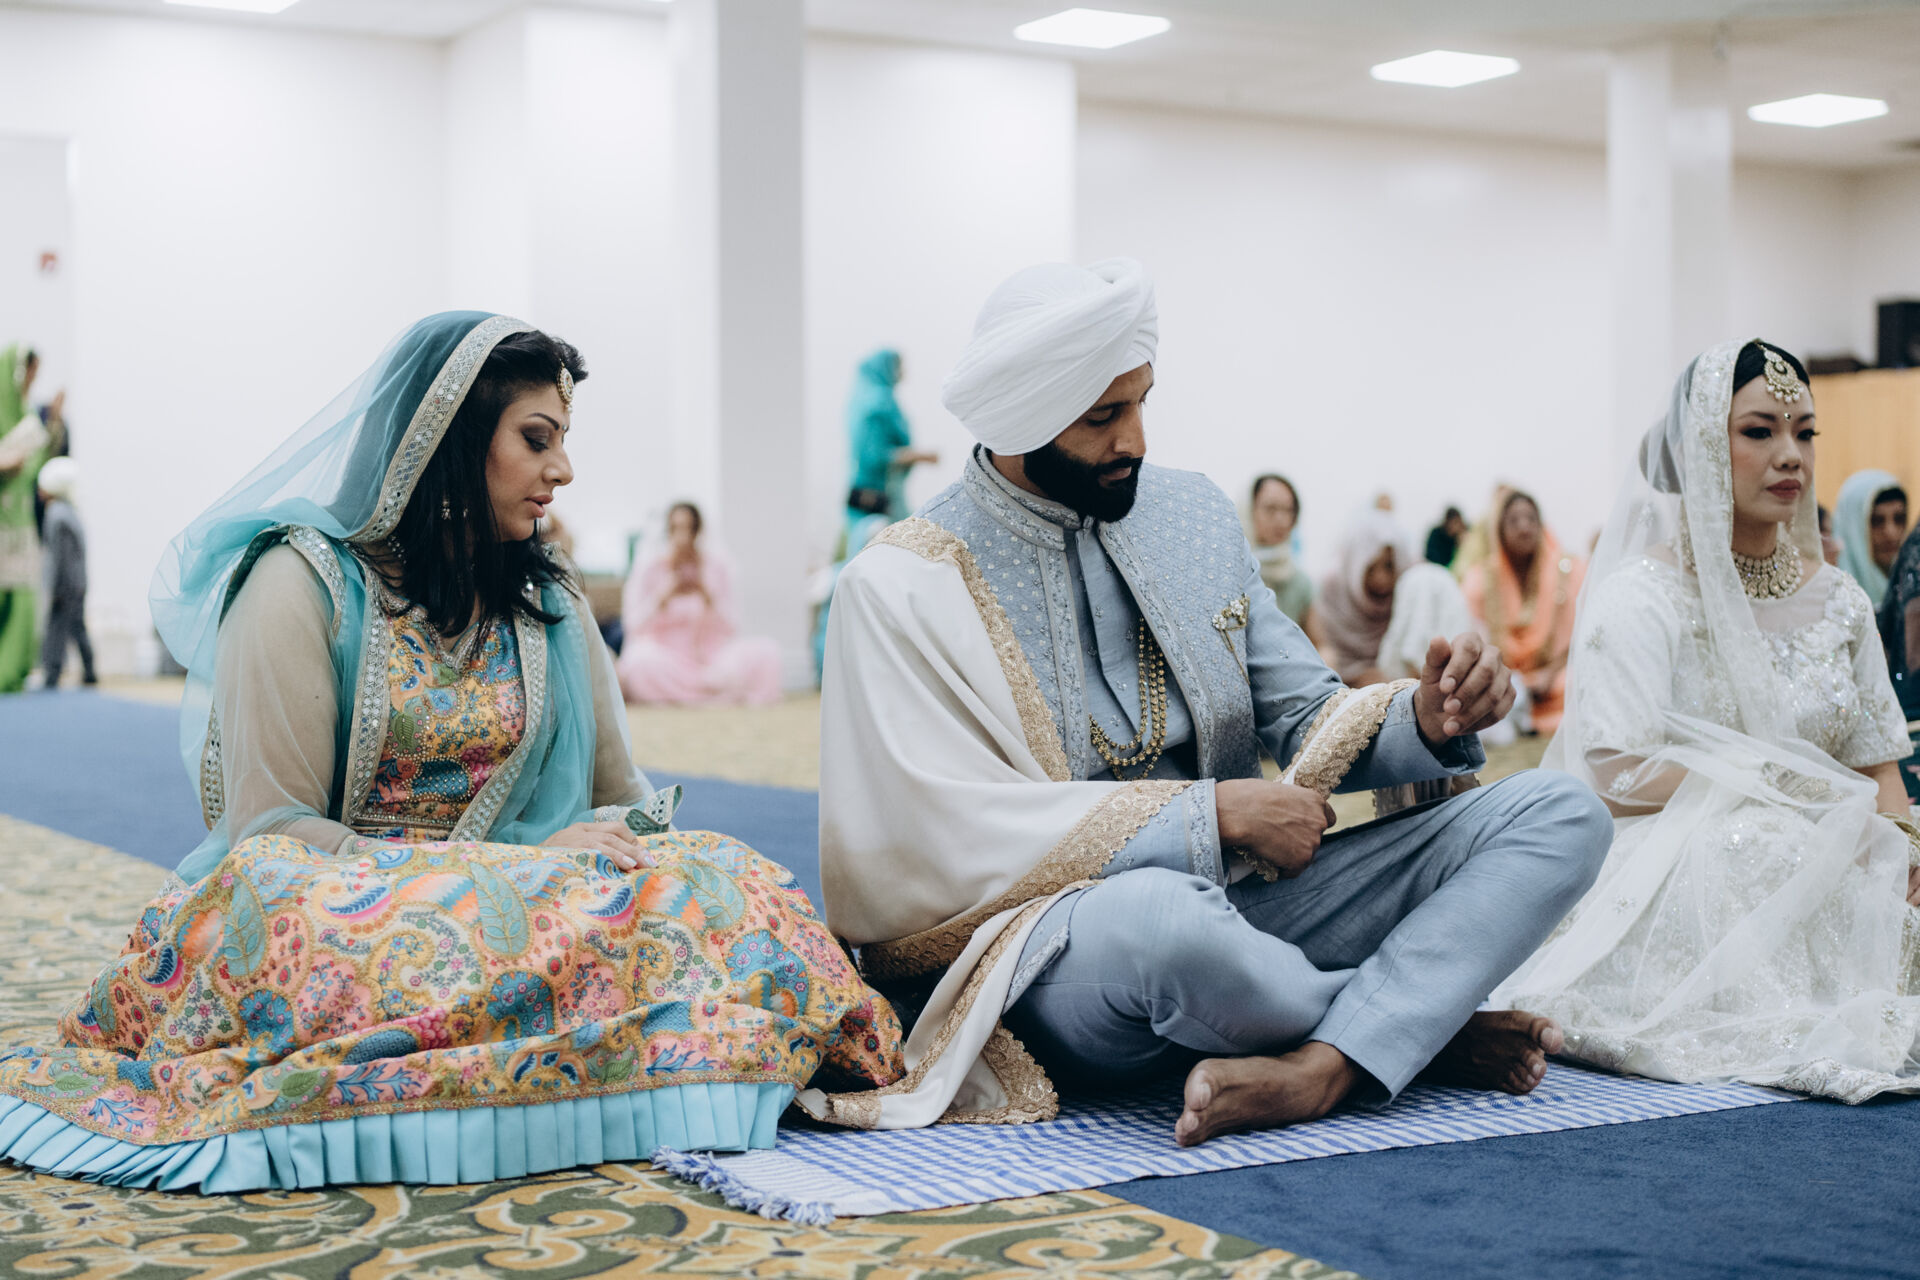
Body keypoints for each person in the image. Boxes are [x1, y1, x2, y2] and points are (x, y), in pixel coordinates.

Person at [0, 313, 901, 1192]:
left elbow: (620, 802)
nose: (563, 470)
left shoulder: (548, 600)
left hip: (537, 899)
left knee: (721, 876)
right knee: (296, 902)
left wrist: (625, 852)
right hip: (340, 910)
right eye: (536, 438)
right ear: (450, 441)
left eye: (563, 441)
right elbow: (270, 832)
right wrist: (511, 865)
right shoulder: (301, 581)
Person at [811, 258, 1611, 1145]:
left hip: (1250, 909)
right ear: (1020, 416)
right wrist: (1212, 814)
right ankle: (1411, 1028)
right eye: (1103, 416)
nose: (1135, 440)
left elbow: (1309, 715)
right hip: (1054, 947)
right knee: (1165, 923)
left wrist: (1427, 715)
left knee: (1561, 813)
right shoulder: (902, 586)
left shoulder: (1189, 516)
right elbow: (927, 841)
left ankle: (1324, 1065)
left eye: (1142, 402)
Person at [1494, 339, 1920, 1102]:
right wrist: (1776, 787)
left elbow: (1878, 764)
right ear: (1698, 445)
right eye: (1759, 431)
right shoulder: (1643, 596)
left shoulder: (1842, 601)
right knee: (1768, 844)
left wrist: (1904, 855)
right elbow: (1615, 774)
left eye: (1804, 433)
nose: (1790, 455)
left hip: (1843, 843)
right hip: (1688, 861)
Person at [616, 501, 782, 707]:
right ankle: (712, 695)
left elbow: (733, 627)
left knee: (767, 652)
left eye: (689, 529)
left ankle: (696, 693)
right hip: (667, 658)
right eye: (676, 529)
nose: (683, 538)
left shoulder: (717, 567)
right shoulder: (650, 568)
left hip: (713, 658)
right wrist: (662, 598)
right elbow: (633, 627)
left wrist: (707, 596)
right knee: (638, 662)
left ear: (699, 531)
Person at [1460, 491, 1585, 735]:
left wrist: (1550, 674)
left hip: (1555, 678)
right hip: (1504, 681)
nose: (1524, 528)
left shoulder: (1567, 571)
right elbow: (1475, 642)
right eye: (1514, 521)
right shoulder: (1481, 579)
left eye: (1530, 519)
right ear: (1499, 530)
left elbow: (1581, 637)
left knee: (1578, 683)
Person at [1310, 511, 1413, 685]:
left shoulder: (1404, 599)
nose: (1381, 579)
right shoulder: (1333, 591)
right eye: (1371, 568)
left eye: (1389, 566)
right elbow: (1321, 659)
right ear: (1355, 565)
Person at [845, 349, 937, 530]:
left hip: (886, 490)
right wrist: (915, 455)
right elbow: (873, 455)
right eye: (898, 366)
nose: (902, 371)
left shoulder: (871, 398)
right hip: (876, 494)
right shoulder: (878, 403)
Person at [0, 346, 47, 692]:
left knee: (23, 598)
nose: (31, 379)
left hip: (21, 520)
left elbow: (33, 468)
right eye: (28, 371)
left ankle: (12, 669)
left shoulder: (28, 415)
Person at [34, 456, 93, 687]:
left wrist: (54, 587)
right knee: (77, 627)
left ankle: (52, 674)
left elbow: (58, 556)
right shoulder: (69, 511)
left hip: (65, 584)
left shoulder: (56, 514)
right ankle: (89, 671)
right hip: (76, 582)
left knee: (56, 628)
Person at [1834, 469, 1908, 608]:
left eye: (1899, 519)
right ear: (1853, 529)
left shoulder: (1911, 591)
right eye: (1876, 521)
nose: (1891, 532)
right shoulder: (1833, 599)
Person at [1247, 473, 1313, 627]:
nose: (1281, 520)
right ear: (1249, 510)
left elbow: (1316, 637)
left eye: (1288, 510)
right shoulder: (1232, 573)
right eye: (1271, 509)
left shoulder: (1299, 582)